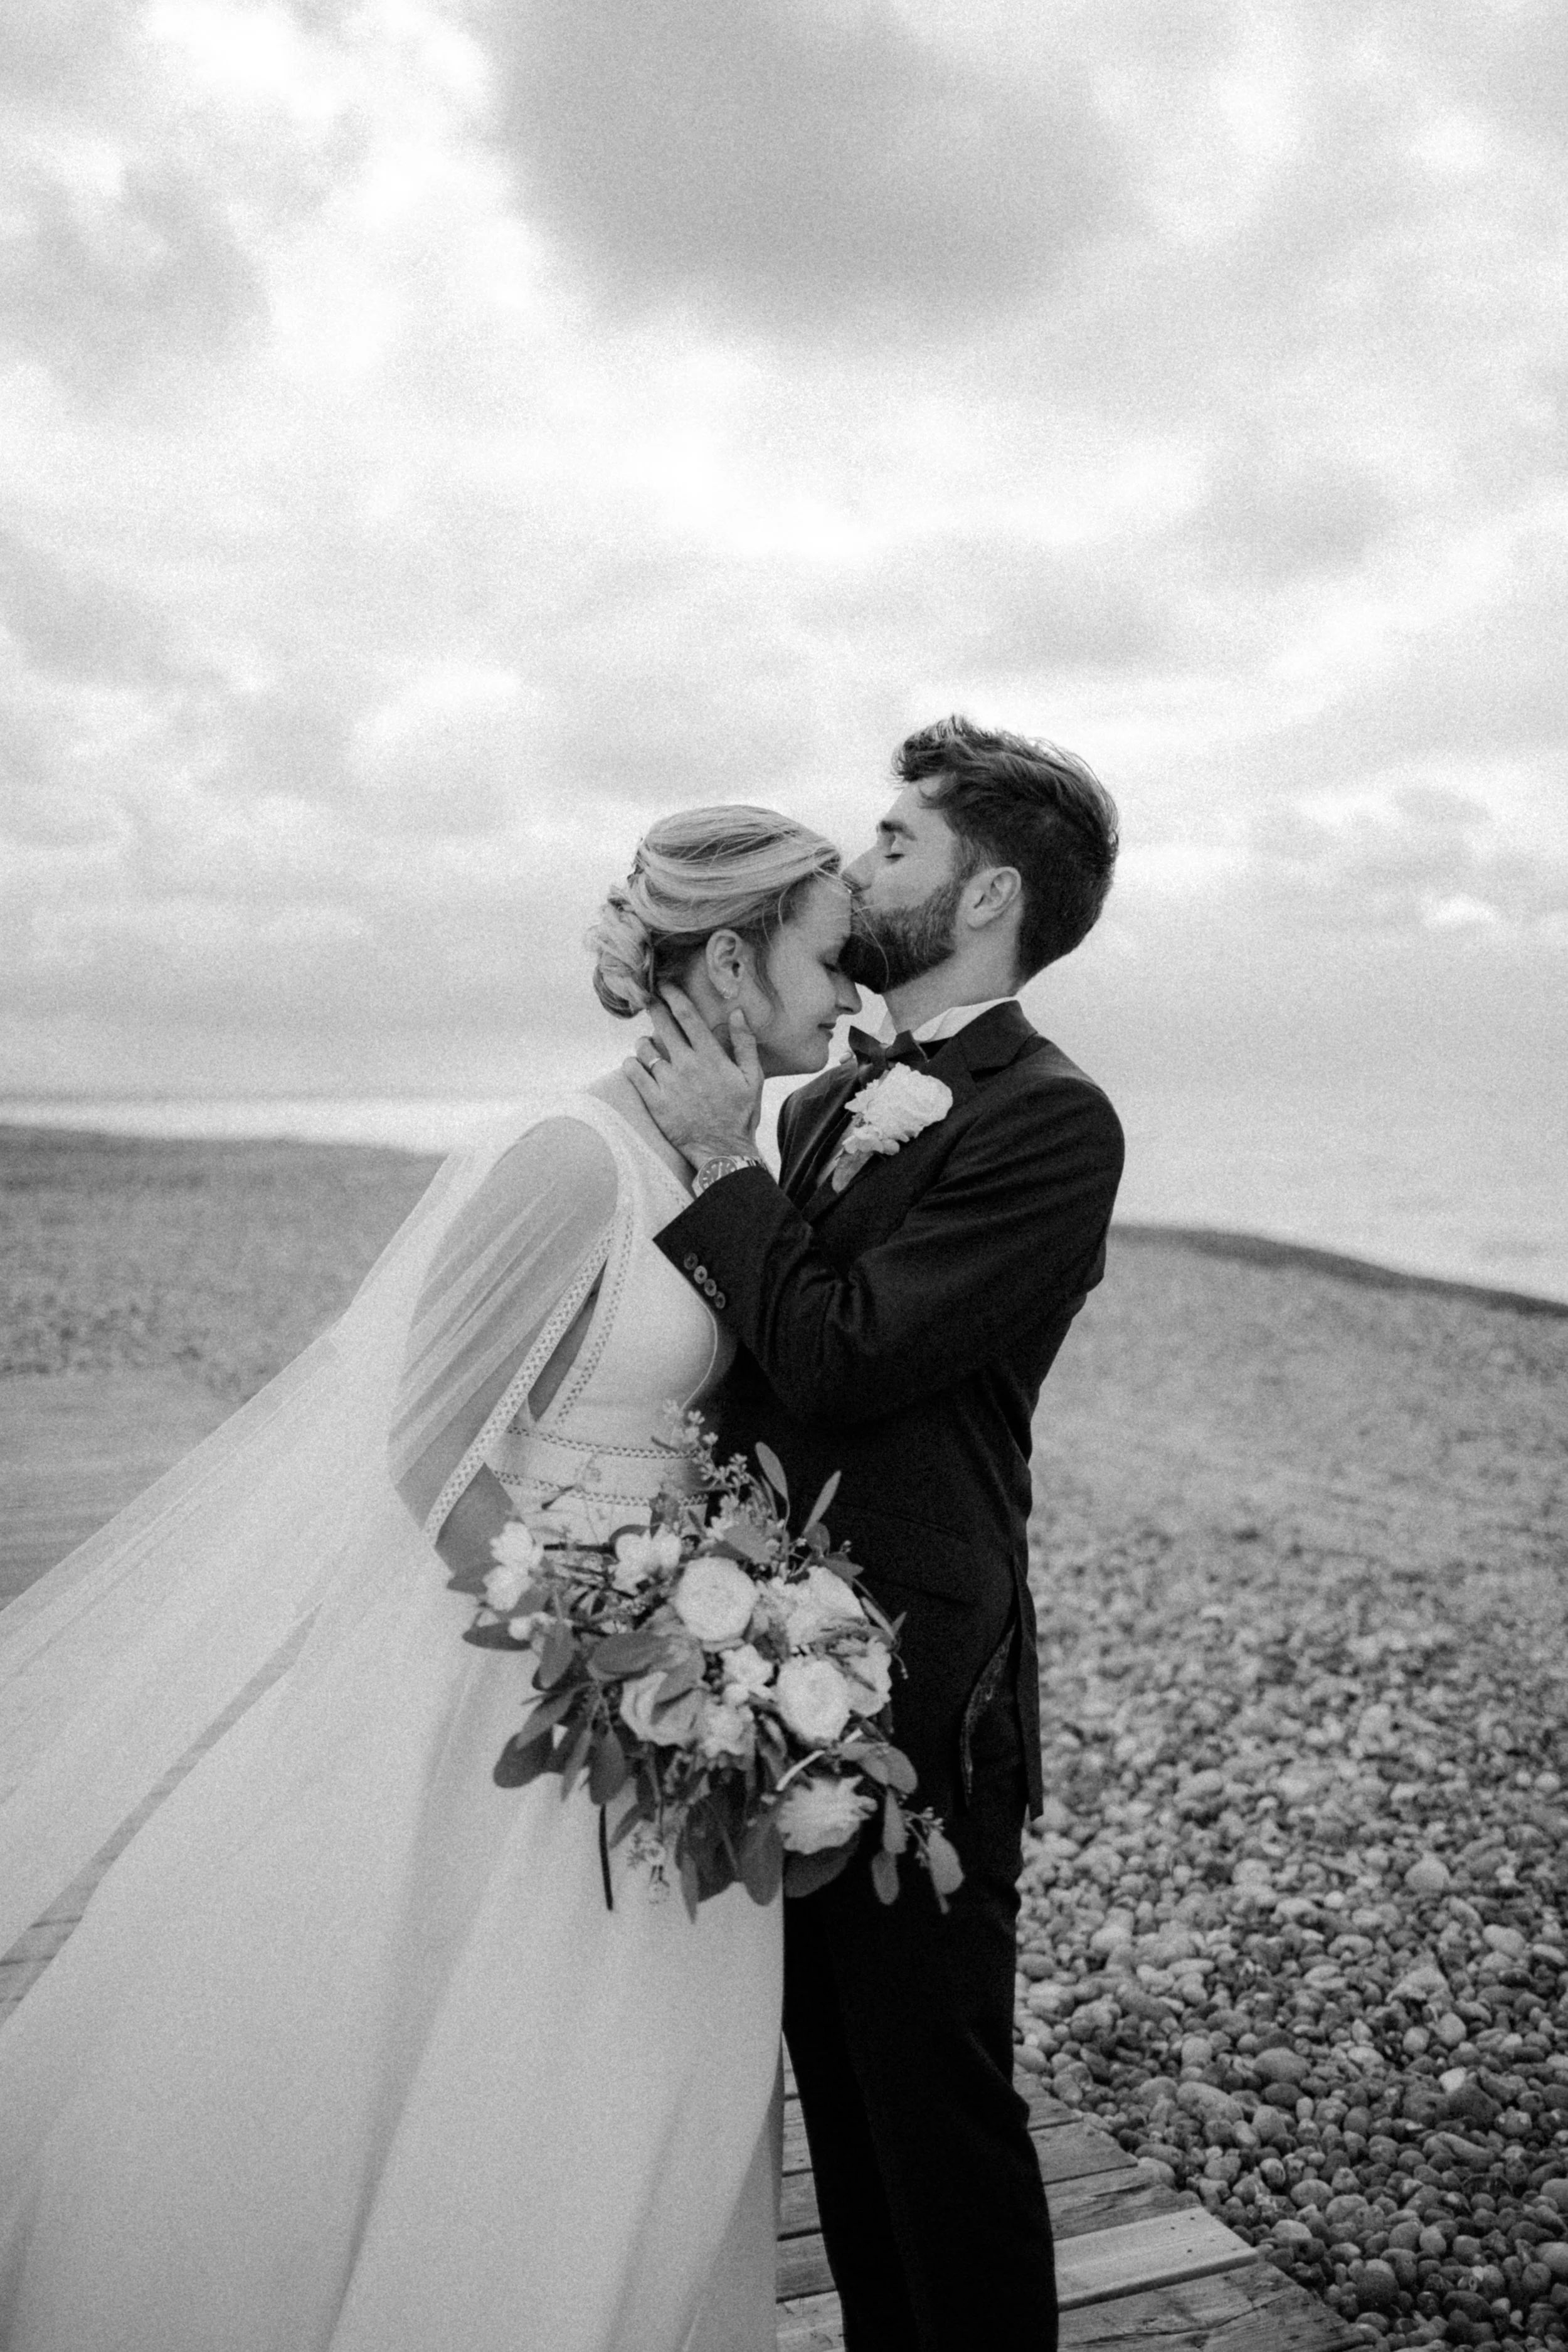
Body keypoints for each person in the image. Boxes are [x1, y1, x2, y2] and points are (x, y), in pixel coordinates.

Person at [0, 807, 861, 2352]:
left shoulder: (722, 1165)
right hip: (525, 1691)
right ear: (732, 959)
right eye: (827, 958)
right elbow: (425, 1450)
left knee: (632, 2076)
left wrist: (708, 1661)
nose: (850, 997)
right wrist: (611, 1669)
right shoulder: (566, 1157)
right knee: (455, 2047)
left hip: (671, 1681)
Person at [625, 714, 1125, 2351]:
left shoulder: (1053, 1121)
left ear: (986, 896)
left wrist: (709, 1159)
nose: (857, 866)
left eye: (892, 844)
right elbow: (769, 1359)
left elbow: (845, 1349)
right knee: (836, 2096)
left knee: (932, 2112)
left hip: (924, 1678)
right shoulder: (829, 1095)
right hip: (762, 1655)